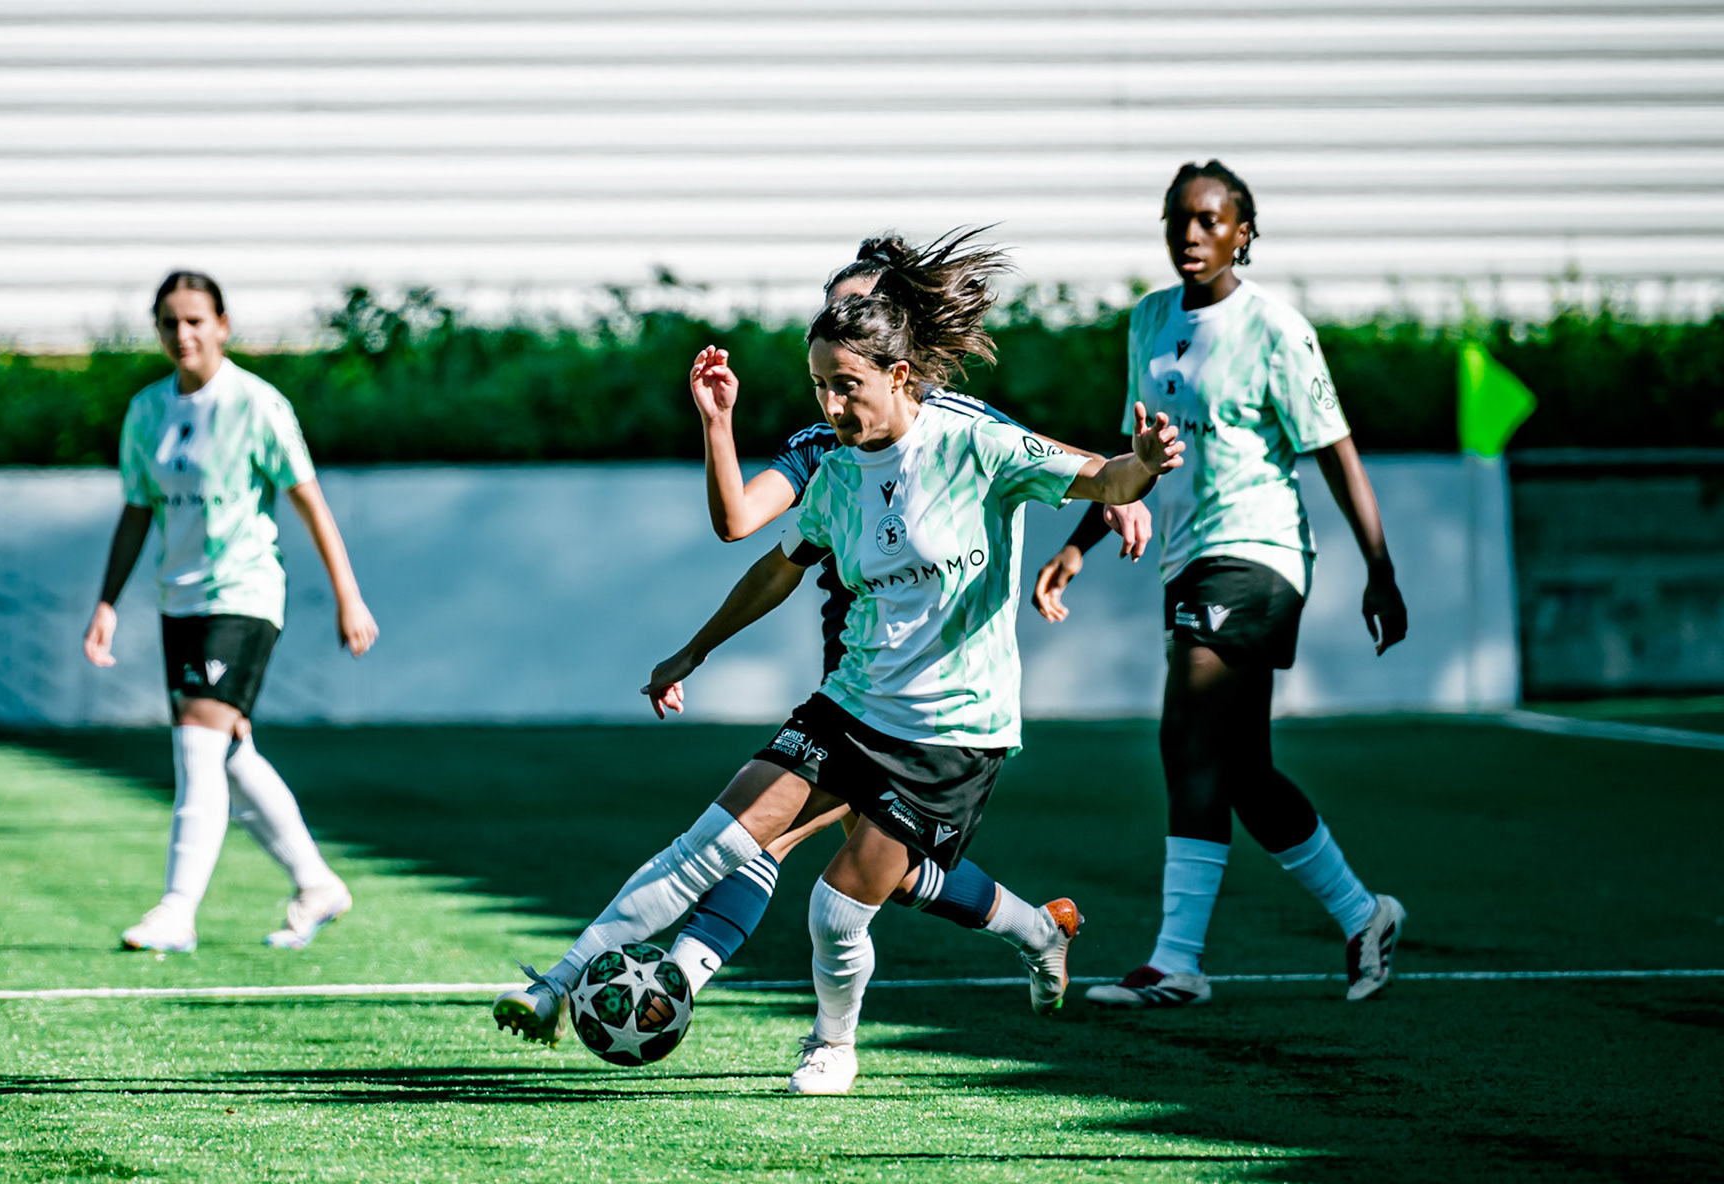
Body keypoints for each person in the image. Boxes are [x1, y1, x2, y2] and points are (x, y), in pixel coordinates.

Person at [495, 231, 1182, 1094]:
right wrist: (694, 647)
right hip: (851, 702)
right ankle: (559, 983)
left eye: (845, 385)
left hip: (950, 734)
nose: (830, 404)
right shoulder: (834, 468)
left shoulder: (978, 443)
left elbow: (1105, 478)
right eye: (819, 385)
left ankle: (837, 1042)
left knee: (840, 902)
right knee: (711, 844)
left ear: (901, 374)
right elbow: (774, 564)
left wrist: (1142, 471)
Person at [667, 237, 1155, 1009]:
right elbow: (744, 527)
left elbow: (1059, 462)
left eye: (867, 311)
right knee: (868, 865)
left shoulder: (957, 423)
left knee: (791, 839)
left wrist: (1126, 482)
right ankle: (1036, 930)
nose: (848, 322)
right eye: (839, 312)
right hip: (855, 677)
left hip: (935, 696)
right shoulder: (823, 443)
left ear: (901, 341)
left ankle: (677, 978)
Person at [1033, 161, 1409, 1007]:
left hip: (1261, 553)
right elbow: (1142, 456)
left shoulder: (1277, 329)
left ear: (1245, 231)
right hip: (1189, 558)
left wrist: (1380, 570)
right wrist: (1080, 543)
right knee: (1241, 771)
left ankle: (1176, 962)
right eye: (1178, 220)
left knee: (1186, 736)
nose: (1191, 235)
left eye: (1209, 220)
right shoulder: (1149, 322)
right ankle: (1363, 917)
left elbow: (1335, 450)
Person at [82, 270, 379, 954]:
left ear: (222, 325)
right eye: (169, 323)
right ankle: (316, 883)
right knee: (230, 750)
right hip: (177, 600)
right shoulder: (147, 412)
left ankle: (177, 910)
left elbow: (308, 499)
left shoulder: (257, 405)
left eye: (194, 321)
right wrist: (106, 602)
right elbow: (136, 510)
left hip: (242, 596)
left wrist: (348, 594)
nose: (182, 335)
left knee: (195, 742)